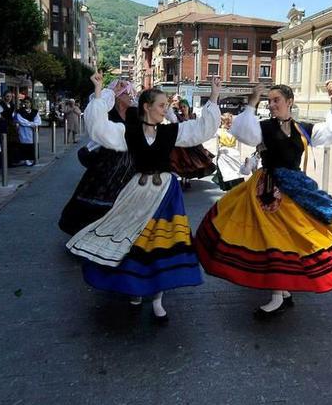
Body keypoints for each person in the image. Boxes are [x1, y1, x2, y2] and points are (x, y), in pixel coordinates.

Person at [193, 81, 332, 319]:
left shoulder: (303, 129)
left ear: (290, 102)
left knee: (289, 240)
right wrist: (253, 102)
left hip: (295, 191)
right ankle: (280, 295)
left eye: (277, 100)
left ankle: (282, 293)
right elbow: (243, 132)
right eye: (270, 101)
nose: (273, 105)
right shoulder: (264, 127)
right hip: (266, 191)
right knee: (272, 239)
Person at [66, 73, 222, 323]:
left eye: (166, 106)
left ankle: (158, 300)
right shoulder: (129, 132)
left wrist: (214, 96)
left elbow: (200, 130)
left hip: (165, 195)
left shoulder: (171, 132)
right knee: (134, 244)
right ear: (147, 107)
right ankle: (135, 290)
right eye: (161, 105)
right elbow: (99, 129)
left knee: (159, 245)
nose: (165, 109)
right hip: (136, 193)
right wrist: (99, 92)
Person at [58, 78, 137, 235]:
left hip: (127, 166)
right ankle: (89, 234)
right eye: (128, 93)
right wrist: (109, 91)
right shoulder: (108, 113)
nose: (132, 97)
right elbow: (95, 113)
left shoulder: (133, 114)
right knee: (98, 197)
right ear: (119, 96)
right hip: (106, 163)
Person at [168, 99, 216, 189]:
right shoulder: (178, 117)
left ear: (188, 107)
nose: (182, 109)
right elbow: (170, 115)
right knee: (183, 163)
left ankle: (187, 180)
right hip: (183, 145)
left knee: (195, 162)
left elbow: (201, 127)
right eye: (181, 107)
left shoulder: (194, 116)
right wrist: (170, 103)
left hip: (194, 143)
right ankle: (184, 180)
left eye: (184, 107)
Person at [213, 112, 246, 191]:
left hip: (229, 155)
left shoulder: (224, 131)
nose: (229, 123)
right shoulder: (222, 131)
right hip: (229, 155)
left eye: (229, 121)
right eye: (228, 121)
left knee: (230, 175)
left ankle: (231, 190)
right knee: (231, 174)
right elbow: (239, 145)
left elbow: (217, 146)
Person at [15, 98, 42, 166]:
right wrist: (31, 124)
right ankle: (25, 159)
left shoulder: (35, 111)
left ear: (31, 103)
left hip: (33, 131)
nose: (26, 104)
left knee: (33, 144)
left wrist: (34, 124)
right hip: (24, 130)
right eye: (25, 102)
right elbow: (21, 121)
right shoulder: (20, 112)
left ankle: (33, 158)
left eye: (28, 102)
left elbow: (38, 121)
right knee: (24, 145)